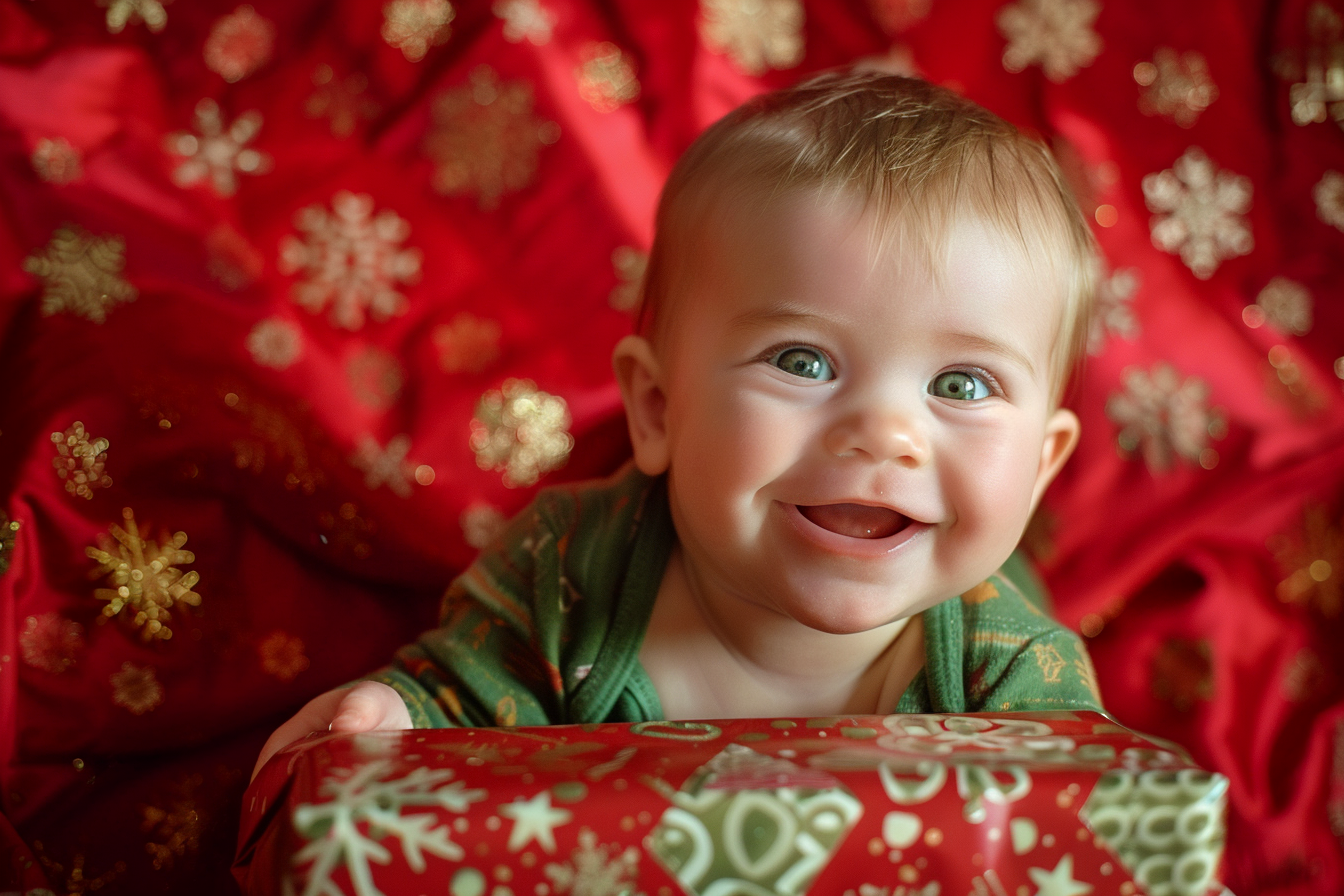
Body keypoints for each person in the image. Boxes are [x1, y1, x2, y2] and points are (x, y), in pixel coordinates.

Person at [254, 70, 1104, 778]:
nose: (884, 434)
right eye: (802, 361)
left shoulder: (1016, 680)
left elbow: (1078, 843)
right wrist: (391, 716)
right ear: (657, 410)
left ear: (1041, 464)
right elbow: (458, 697)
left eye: (962, 384)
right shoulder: (567, 574)